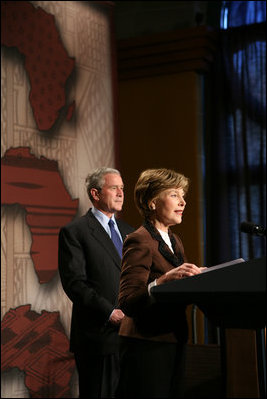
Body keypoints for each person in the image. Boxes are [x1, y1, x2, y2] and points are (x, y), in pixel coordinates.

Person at [117, 168, 206, 398]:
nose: (183, 202)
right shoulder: (139, 240)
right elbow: (127, 301)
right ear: (152, 202)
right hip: (147, 344)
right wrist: (162, 281)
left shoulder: (174, 240)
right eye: (174, 194)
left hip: (173, 337)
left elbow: (179, 286)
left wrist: (199, 278)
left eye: (183, 195)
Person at [58, 167, 135, 398]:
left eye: (122, 188)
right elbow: (75, 283)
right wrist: (110, 312)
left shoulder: (129, 231)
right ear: (95, 193)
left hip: (132, 335)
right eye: (114, 188)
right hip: (99, 337)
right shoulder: (75, 231)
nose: (121, 193)